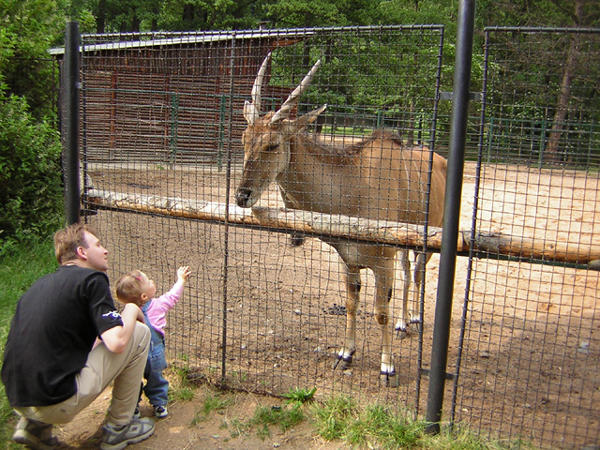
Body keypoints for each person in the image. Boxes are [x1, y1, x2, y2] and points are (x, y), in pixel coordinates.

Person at [1, 223, 155, 450]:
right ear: (82, 253)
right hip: (56, 402)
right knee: (139, 334)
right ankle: (119, 428)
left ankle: (35, 427)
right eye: (98, 245)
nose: (105, 250)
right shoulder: (92, 280)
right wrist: (132, 309)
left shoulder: (40, 285)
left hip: (18, 397)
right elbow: (117, 342)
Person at [115, 265, 192, 419]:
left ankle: (141, 405)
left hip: (133, 356)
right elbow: (173, 296)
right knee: (149, 380)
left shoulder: (124, 314)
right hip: (151, 356)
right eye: (149, 281)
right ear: (144, 296)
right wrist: (181, 280)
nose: (152, 281)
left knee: (134, 380)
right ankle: (155, 404)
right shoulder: (157, 306)